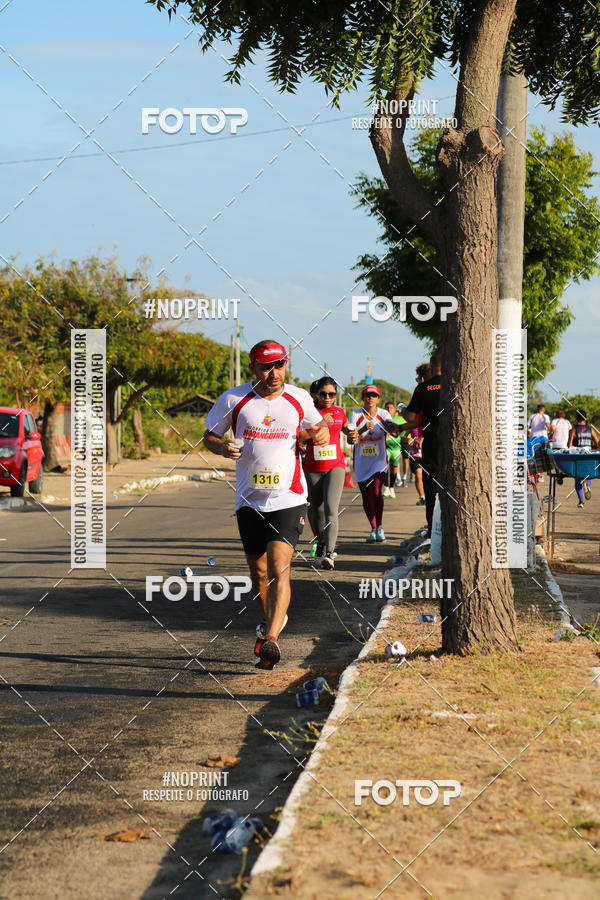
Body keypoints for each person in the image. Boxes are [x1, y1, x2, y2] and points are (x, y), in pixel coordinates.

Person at [203, 339, 329, 669]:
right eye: (266, 366)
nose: (274, 373)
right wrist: (221, 447)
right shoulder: (234, 398)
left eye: (280, 365)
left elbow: (320, 425)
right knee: (259, 573)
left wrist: (322, 434)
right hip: (248, 500)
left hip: (289, 497)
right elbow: (209, 435)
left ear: (287, 364)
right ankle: (272, 622)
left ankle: (270, 638)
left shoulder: (299, 397)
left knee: (278, 568)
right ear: (253, 367)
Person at [304, 377, 350, 569]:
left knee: (331, 508)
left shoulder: (340, 412)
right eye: (323, 394)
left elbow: (347, 429)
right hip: (313, 467)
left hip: (335, 465)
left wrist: (353, 433)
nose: (328, 398)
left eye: (332, 394)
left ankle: (330, 552)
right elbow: (302, 435)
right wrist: (322, 422)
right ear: (316, 394)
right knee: (317, 509)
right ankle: (321, 543)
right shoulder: (308, 412)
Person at [348, 385, 398, 543]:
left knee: (376, 490)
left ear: (378, 399)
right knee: (366, 495)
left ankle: (380, 527)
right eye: (367, 395)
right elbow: (351, 439)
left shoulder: (383, 414)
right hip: (362, 462)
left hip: (379, 461)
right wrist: (362, 429)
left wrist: (393, 429)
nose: (370, 398)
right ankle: (373, 528)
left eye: (374, 396)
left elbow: (394, 430)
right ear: (363, 398)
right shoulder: (355, 415)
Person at [403, 351, 442, 537]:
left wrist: (403, 412)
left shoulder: (423, 388)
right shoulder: (457, 384)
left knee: (431, 489)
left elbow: (411, 416)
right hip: (454, 444)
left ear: (432, 367)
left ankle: (433, 530)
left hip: (432, 443)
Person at [568, 409, 599, 508]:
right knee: (587, 475)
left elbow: (569, 445)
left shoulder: (574, 430)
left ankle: (581, 501)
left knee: (577, 479)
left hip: (578, 457)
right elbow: (598, 443)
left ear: (576, 418)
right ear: (586, 419)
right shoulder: (591, 430)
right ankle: (587, 484)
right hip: (589, 457)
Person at [383, 401, 405, 498]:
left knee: (394, 468)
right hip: (385, 447)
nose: (389, 410)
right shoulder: (381, 419)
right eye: (387, 408)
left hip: (396, 448)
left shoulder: (399, 420)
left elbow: (402, 432)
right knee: (384, 466)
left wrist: (394, 432)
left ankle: (391, 488)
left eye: (391, 408)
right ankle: (386, 487)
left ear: (394, 410)